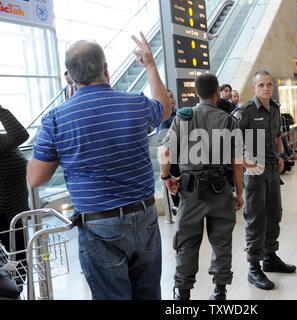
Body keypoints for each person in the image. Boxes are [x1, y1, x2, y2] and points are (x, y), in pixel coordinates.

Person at [27, 32, 171, 300]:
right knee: (149, 294)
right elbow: (164, 109)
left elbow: (36, 179)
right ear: (106, 68)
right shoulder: (135, 102)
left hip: (98, 226)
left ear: (69, 76)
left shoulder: (56, 119)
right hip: (145, 216)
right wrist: (150, 65)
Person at [160, 73, 244, 300]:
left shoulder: (184, 118)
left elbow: (166, 152)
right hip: (221, 190)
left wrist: (166, 178)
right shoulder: (229, 121)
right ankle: (220, 291)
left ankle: (183, 293)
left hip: (190, 191)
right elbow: (237, 164)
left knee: (186, 242)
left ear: (196, 93)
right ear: (217, 92)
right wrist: (239, 193)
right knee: (222, 241)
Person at [236, 70, 296, 291]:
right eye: (261, 85)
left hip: (272, 171)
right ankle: (254, 267)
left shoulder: (275, 108)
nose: (266, 88)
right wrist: (243, 162)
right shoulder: (245, 111)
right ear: (254, 87)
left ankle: (270, 257)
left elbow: (277, 135)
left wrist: (280, 156)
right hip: (254, 174)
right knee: (256, 218)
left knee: (274, 214)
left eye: (269, 84)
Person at [0, 105, 29, 286]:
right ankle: (13, 289)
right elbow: (20, 135)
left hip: (15, 213)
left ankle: (14, 288)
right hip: (6, 215)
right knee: (16, 262)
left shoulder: (3, 142)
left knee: (18, 260)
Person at [156, 90, 180, 208]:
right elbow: (162, 138)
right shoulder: (163, 117)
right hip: (172, 158)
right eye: (168, 98)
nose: (171, 100)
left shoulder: (178, 114)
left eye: (172, 97)